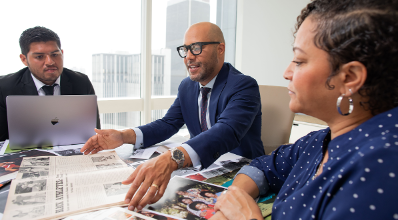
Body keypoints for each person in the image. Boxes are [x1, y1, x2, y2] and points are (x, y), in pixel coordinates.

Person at [212, 0, 398, 220]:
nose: (287, 73)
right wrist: (234, 199)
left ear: (349, 78)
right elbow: (265, 166)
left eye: (299, 61)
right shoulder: (319, 141)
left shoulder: (381, 169)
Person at [81, 22, 264, 211]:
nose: (189, 57)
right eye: (185, 50)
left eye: (196, 48)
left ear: (220, 49)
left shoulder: (243, 85)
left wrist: (172, 158)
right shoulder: (187, 86)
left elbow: (226, 131)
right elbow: (168, 123)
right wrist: (123, 136)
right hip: (202, 168)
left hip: (241, 172)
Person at [0, 26, 100, 142]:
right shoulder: (4, 86)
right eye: (39, 57)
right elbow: (0, 140)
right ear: (24, 59)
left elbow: (94, 133)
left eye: (55, 54)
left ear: (62, 53)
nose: (50, 62)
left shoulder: (81, 82)